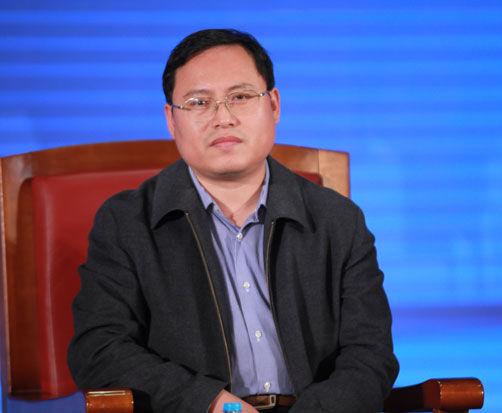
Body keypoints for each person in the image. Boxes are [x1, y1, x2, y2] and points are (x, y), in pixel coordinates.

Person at [68, 28, 399, 413]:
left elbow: (370, 355)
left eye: (240, 97)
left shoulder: (337, 221)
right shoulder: (126, 224)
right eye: (198, 102)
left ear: (274, 105)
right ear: (171, 120)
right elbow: (99, 350)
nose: (222, 118)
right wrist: (207, 402)